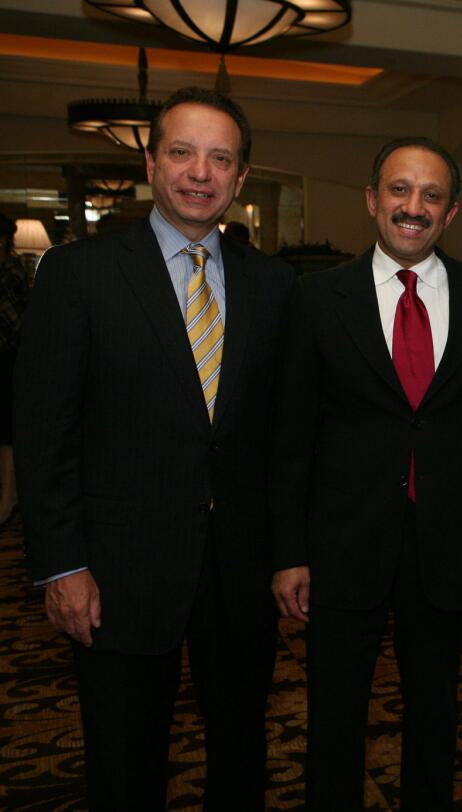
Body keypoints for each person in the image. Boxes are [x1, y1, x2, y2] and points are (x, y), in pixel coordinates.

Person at [14, 86, 294, 811]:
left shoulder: (275, 286)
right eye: (181, 152)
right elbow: (45, 432)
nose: (200, 172)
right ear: (150, 161)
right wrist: (62, 565)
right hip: (117, 571)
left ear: (239, 177)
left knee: (241, 755)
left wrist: (291, 552)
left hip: (239, 573)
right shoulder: (78, 275)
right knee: (124, 761)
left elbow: (283, 436)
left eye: (220, 158)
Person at [270, 136, 462, 811]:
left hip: (446, 547)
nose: (413, 207)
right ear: (373, 200)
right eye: (400, 190)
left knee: (438, 713)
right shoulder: (314, 298)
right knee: (334, 716)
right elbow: (290, 437)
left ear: (451, 212)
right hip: (342, 546)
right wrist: (288, 553)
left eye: (431, 195)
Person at [0, 212, 28, 526]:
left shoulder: (13, 271)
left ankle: (9, 497)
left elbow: (19, 323)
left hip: (11, 359)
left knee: (7, 432)